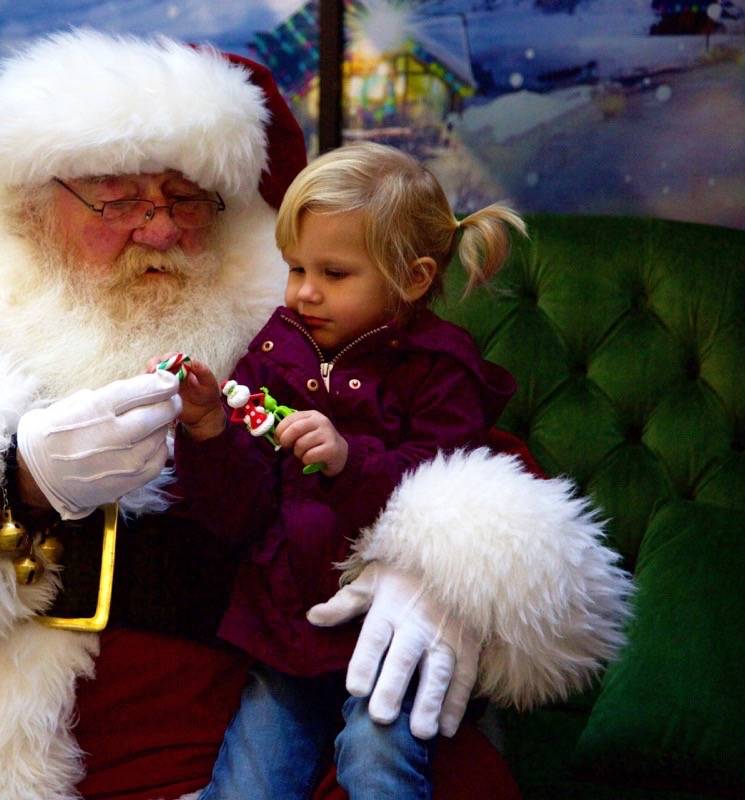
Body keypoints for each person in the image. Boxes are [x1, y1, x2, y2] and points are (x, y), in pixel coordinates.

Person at [0, 30, 631, 800]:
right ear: (37, 200)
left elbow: (469, 448)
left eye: (186, 199)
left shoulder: (290, 311)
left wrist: (441, 569)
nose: (157, 229)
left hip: (219, 748)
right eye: (115, 200)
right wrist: (12, 482)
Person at [167, 142, 522, 800]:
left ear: (412, 279)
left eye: (333, 273)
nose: (304, 292)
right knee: (248, 784)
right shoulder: (274, 352)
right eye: (296, 267)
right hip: (285, 628)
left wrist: (350, 459)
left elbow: (448, 497)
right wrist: (209, 429)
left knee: (375, 758)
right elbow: (235, 512)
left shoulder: (442, 368)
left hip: (400, 631)